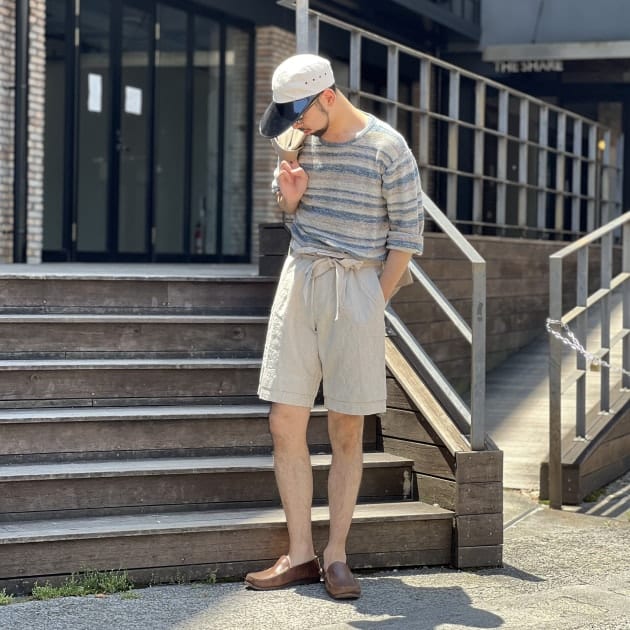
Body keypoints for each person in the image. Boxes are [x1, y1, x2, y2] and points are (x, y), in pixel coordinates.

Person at [245, 53, 424, 600]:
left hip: (357, 287)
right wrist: (290, 196)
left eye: (300, 113)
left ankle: (337, 555)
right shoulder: (299, 140)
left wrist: (373, 302)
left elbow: (407, 238)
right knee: (284, 421)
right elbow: (286, 208)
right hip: (301, 279)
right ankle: (300, 554)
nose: (295, 126)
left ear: (327, 95)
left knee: (346, 429)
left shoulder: (388, 147)